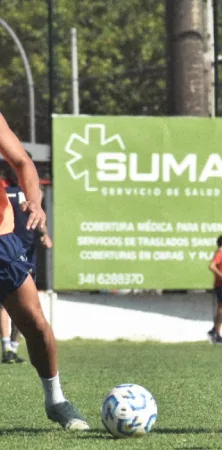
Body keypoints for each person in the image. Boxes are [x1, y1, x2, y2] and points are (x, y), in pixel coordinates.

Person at [0, 115, 88, 430]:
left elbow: (23, 162)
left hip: (1, 239)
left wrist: (35, 203)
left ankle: (56, 400)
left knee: (35, 324)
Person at [0, 160, 53, 364]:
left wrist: (44, 234)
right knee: (5, 301)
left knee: (27, 306)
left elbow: (38, 217)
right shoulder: (5, 191)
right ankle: (6, 346)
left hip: (26, 251)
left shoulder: (33, 193)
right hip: (7, 248)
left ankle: (13, 347)